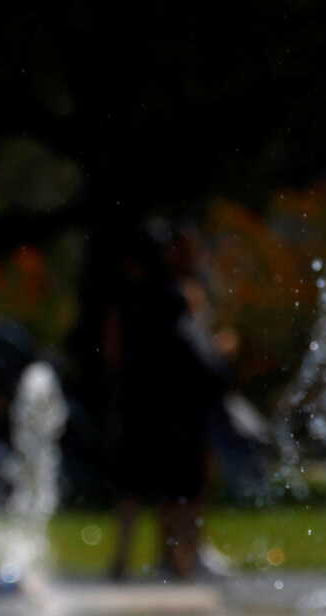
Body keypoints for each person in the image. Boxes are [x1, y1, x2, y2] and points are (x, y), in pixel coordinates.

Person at [83, 222, 229, 582]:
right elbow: (202, 340)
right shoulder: (180, 291)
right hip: (177, 400)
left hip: (138, 399)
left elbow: (112, 349)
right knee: (179, 485)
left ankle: (123, 560)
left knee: (134, 484)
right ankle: (181, 561)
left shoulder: (125, 295)